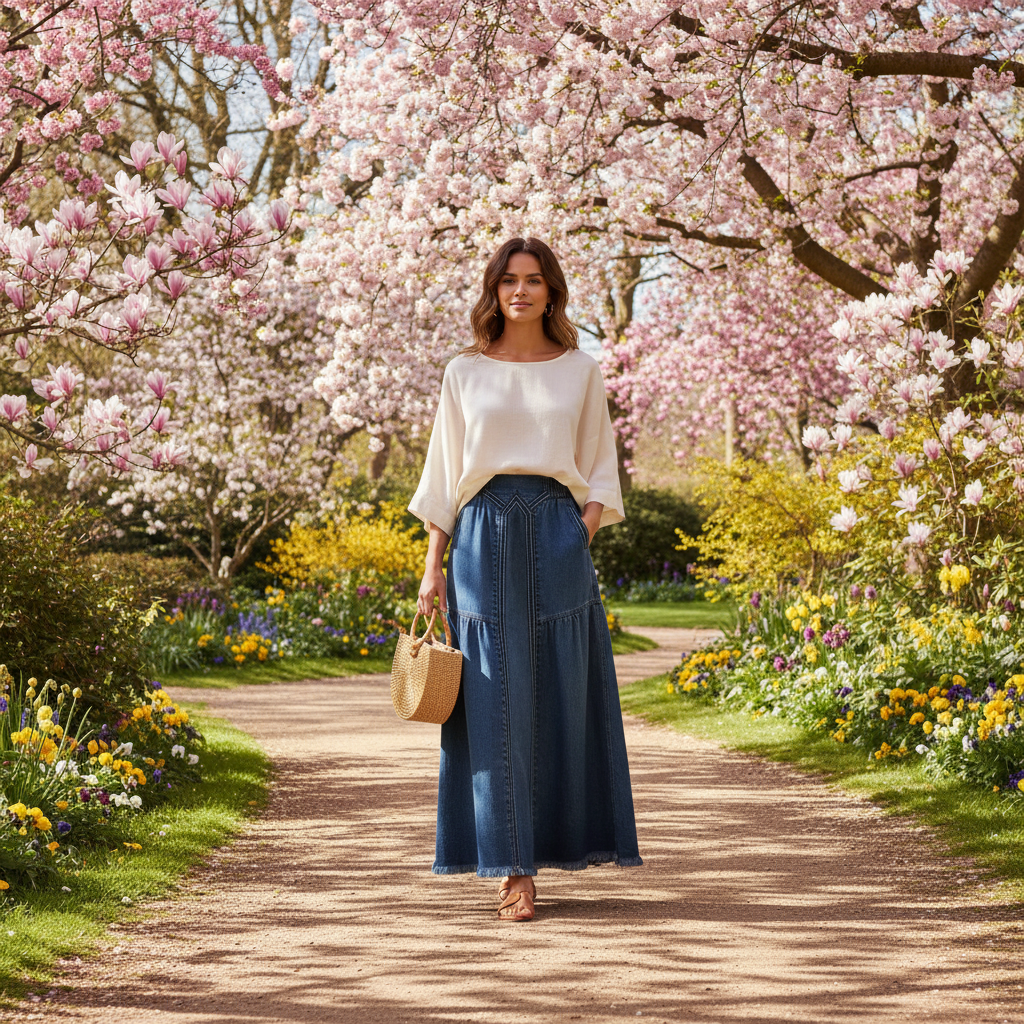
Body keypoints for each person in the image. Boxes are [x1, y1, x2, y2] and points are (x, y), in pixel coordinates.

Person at [408, 237, 642, 922]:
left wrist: (579, 533)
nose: (521, 291)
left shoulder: (580, 370)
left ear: (551, 290)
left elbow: (600, 469)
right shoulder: (465, 372)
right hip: (479, 537)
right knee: (492, 700)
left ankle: (561, 844)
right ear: (494, 289)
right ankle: (514, 868)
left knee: (557, 693)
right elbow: (444, 478)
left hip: (556, 530)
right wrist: (431, 570)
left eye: (534, 280)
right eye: (509, 280)